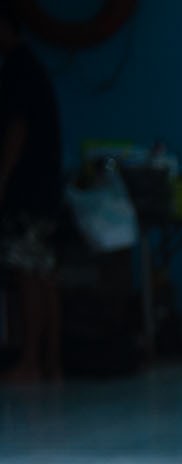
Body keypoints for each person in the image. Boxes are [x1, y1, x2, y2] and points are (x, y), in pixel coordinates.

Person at [0, 3, 63, 382]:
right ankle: (51, 362)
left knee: (28, 273)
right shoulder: (32, 68)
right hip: (45, 191)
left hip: (28, 193)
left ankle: (30, 361)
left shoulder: (19, 71)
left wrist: (2, 181)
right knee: (43, 275)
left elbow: (16, 132)